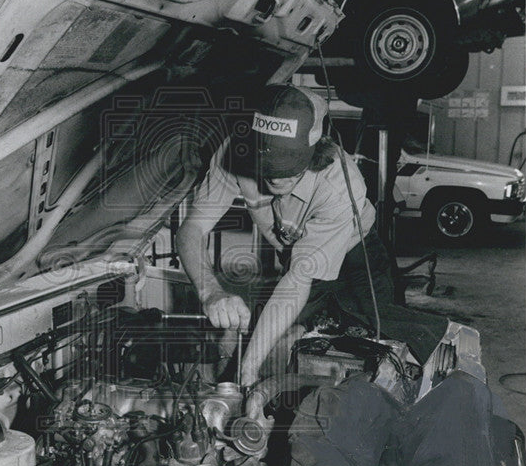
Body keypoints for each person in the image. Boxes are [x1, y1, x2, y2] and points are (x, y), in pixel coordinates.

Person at [176, 83, 447, 390]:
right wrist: (210, 291)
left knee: (376, 354)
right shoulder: (232, 154)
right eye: (268, 166)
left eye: (289, 166)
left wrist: (248, 371)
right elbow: (192, 228)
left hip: (358, 261)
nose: (277, 178)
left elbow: (297, 280)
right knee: (258, 341)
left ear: (316, 147)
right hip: (294, 258)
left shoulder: (341, 183)